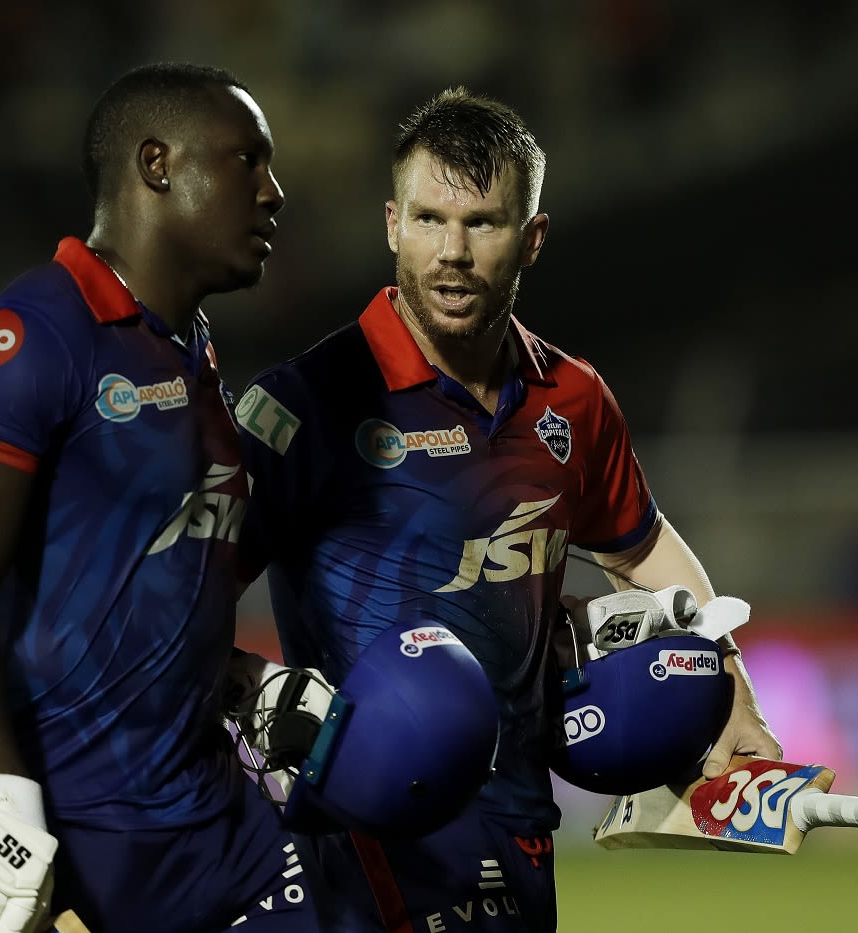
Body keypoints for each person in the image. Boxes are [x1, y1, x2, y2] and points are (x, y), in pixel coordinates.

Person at [234, 87, 782, 932]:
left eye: (482, 223)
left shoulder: (575, 399)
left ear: (532, 238)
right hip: (364, 834)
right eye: (427, 219)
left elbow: (640, 547)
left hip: (521, 824)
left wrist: (734, 696)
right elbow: (175, 596)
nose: (451, 252)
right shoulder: (309, 404)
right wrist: (256, 701)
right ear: (390, 224)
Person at [0, 62, 319, 933]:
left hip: (204, 829)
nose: (274, 192)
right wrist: (3, 796)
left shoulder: (185, 347)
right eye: (248, 160)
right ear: (158, 164)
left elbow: (145, 570)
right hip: (51, 840)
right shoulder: (28, 337)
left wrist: (239, 678)